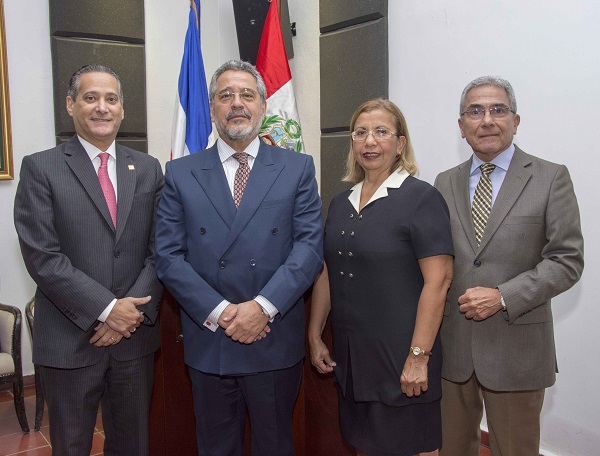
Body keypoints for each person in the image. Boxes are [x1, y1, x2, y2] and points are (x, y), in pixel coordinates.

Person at [155, 59, 323, 456]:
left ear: (263, 107)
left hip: (273, 337)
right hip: (211, 336)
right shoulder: (180, 173)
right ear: (211, 108)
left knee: (275, 446)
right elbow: (168, 256)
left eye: (247, 94)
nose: (237, 103)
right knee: (215, 448)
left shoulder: (297, 167)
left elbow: (309, 247)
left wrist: (262, 309)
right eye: (225, 95)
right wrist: (222, 313)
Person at [14, 64, 163, 455]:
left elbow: (161, 249)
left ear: (122, 109)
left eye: (111, 99)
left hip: (133, 339)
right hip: (69, 340)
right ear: (70, 104)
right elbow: (42, 257)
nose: (102, 108)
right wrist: (107, 309)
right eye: (90, 97)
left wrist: (127, 314)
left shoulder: (147, 168)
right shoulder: (40, 167)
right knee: (72, 447)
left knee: (132, 446)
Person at [434, 76, 584, 456]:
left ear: (516, 121)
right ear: (461, 126)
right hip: (453, 351)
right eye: (475, 111)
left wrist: (503, 296)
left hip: (517, 348)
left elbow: (567, 260)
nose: (487, 120)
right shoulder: (443, 183)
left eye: (498, 109)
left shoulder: (550, 177)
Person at [309, 98, 454, 456]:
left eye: (381, 132)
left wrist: (419, 357)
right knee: (366, 448)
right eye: (360, 133)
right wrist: (314, 334)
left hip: (402, 359)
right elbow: (328, 270)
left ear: (400, 143)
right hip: (353, 361)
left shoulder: (422, 198)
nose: (369, 141)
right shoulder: (341, 203)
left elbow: (439, 282)